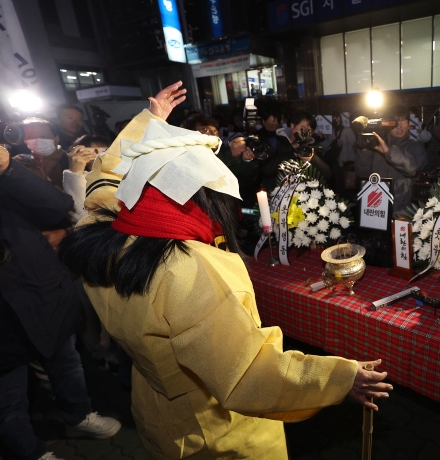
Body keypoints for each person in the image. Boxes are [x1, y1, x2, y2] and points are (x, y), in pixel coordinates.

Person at [58, 100, 392, 459]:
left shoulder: (102, 229)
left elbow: (103, 177)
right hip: (215, 430)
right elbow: (247, 372)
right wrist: (340, 377)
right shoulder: (189, 269)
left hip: (159, 412)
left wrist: (149, 123)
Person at [0, 146, 121, 460]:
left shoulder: (9, 175)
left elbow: (57, 207)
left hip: (39, 287)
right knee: (7, 394)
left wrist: (8, 169)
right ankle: (31, 452)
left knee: (66, 363)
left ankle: (78, 417)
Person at [354, 104, 428, 215]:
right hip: (377, 208)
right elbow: (362, 173)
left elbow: (412, 168)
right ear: (386, 125)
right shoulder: (377, 147)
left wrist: (388, 152)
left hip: (402, 210)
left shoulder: (415, 146)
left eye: (403, 121)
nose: (399, 126)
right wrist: (365, 151)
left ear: (409, 124)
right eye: (395, 122)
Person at [260, 111, 332, 190]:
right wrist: (291, 154)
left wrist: (312, 159)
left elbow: (328, 175)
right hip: (279, 195)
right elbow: (266, 170)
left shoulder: (311, 148)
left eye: (310, 131)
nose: (306, 133)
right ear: (292, 126)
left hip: (304, 197)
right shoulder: (276, 142)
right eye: (303, 128)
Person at [16, 117, 68, 190]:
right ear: (24, 141)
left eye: (43, 136)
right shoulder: (18, 162)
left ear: (56, 138)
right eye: (31, 137)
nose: (38, 140)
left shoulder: (72, 162)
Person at [217, 132, 261, 206]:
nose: (212, 135)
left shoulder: (242, 158)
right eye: (205, 130)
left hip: (234, 201)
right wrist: (230, 152)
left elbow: (245, 182)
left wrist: (247, 160)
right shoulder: (222, 151)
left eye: (215, 132)